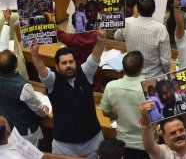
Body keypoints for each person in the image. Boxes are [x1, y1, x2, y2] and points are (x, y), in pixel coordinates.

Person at [31, 29, 106, 158]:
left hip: (92, 142)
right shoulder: (52, 81)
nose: (68, 66)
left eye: (71, 62)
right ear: (57, 66)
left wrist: (101, 40)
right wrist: (35, 55)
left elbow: (95, 56)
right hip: (64, 146)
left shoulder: (85, 73)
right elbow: (42, 70)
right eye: (64, 63)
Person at [0, 16, 49, 147]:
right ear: (16, 65)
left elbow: (2, 46)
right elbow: (38, 108)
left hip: (10, 126)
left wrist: (6, 21)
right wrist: (44, 110)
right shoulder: (23, 87)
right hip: (25, 131)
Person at [101, 51, 152, 159]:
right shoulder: (150, 87)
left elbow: (105, 112)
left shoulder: (111, 86)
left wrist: (115, 114)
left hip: (124, 141)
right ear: (142, 68)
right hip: (148, 141)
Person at [114, 0, 171, 78]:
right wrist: (167, 74)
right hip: (154, 77)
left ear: (137, 9)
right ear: (154, 10)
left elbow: (117, 37)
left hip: (132, 74)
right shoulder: (160, 28)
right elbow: (166, 61)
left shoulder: (127, 22)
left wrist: (133, 16)